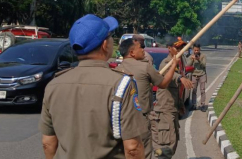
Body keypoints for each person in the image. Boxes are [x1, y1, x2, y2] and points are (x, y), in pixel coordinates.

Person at [39, 14, 147, 159]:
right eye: (110, 37)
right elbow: (133, 148)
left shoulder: (53, 85)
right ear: (104, 45)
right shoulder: (121, 84)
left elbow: (48, 143)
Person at [116, 39, 178, 159]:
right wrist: (173, 65)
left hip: (121, 120)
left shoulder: (117, 69)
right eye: (141, 47)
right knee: (143, 151)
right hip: (141, 118)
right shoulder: (145, 67)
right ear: (132, 52)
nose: (143, 50)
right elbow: (164, 83)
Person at [151, 43, 193, 159]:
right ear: (169, 48)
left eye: (181, 48)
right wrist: (180, 77)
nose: (180, 50)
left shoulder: (178, 64)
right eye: (177, 48)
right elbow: (166, 73)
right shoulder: (166, 62)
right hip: (164, 110)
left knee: (172, 142)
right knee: (165, 145)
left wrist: (180, 105)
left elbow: (175, 90)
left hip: (172, 109)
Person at [186, 44, 207, 111]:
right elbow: (187, 65)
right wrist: (192, 59)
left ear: (199, 50)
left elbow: (204, 65)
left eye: (197, 50)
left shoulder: (203, 56)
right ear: (193, 50)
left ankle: (203, 104)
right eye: (195, 50)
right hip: (194, 75)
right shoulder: (191, 56)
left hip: (202, 74)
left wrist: (199, 60)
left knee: (202, 90)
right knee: (194, 90)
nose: (196, 51)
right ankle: (194, 105)